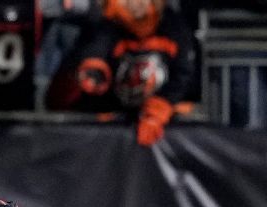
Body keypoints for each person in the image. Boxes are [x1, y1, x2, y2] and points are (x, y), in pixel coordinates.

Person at [46, 0, 196, 145]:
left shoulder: (174, 28)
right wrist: (93, 71)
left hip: (166, 118)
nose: (134, 4)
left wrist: (160, 107)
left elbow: (184, 75)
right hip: (117, 119)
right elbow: (97, 49)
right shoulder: (108, 26)